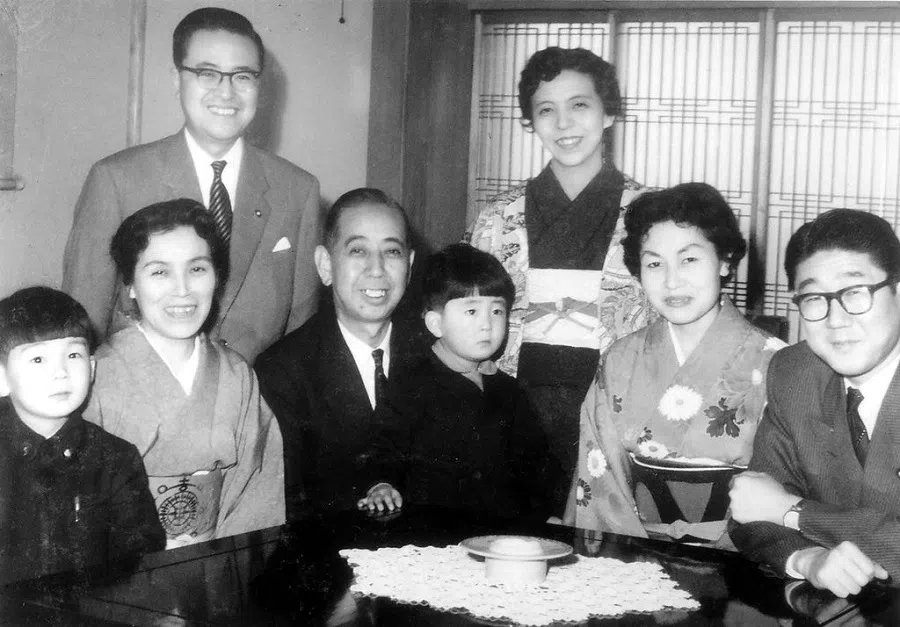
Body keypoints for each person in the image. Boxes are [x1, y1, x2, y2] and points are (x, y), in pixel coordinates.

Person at [63, 7, 320, 363]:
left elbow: (302, 334)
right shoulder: (116, 181)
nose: (227, 92)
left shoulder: (298, 190)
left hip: (255, 404)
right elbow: (80, 329)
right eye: (207, 73)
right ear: (176, 80)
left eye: (242, 76)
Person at [466, 47, 653, 506]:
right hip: (514, 414)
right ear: (531, 121)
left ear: (609, 112)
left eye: (580, 105)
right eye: (546, 110)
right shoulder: (496, 218)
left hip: (618, 414)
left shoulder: (652, 215)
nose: (564, 124)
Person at [564, 183, 785, 546]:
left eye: (689, 259)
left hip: (742, 561)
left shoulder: (779, 363)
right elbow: (600, 483)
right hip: (635, 559)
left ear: (725, 260)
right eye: (654, 263)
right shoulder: (620, 360)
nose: (671, 280)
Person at [84, 199, 285, 548]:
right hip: (125, 573)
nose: (182, 290)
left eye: (197, 269)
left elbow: (257, 492)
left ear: (217, 278)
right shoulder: (95, 377)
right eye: (159, 272)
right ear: (130, 284)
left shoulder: (237, 375)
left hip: (217, 563)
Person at [730, 208, 900, 597]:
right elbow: (751, 508)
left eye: (855, 292)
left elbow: (775, 505)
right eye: (813, 298)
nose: (835, 319)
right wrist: (808, 560)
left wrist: (794, 511)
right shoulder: (796, 372)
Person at [254, 188, 425, 519]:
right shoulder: (281, 371)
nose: (377, 269)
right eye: (358, 250)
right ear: (325, 265)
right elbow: (287, 504)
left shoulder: (437, 354)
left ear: (410, 265)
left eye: (392, 252)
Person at [359, 243, 561, 522]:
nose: (487, 325)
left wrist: (546, 513)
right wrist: (381, 483)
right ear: (435, 324)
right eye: (471, 311)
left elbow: (536, 462)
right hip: (432, 530)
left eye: (497, 311)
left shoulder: (508, 389)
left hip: (502, 529)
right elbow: (383, 446)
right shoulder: (410, 382)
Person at [0, 287, 164, 582]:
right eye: (38, 359)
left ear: (91, 369)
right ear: (1, 378)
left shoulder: (116, 458)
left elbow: (140, 553)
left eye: (73, 354)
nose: (61, 372)